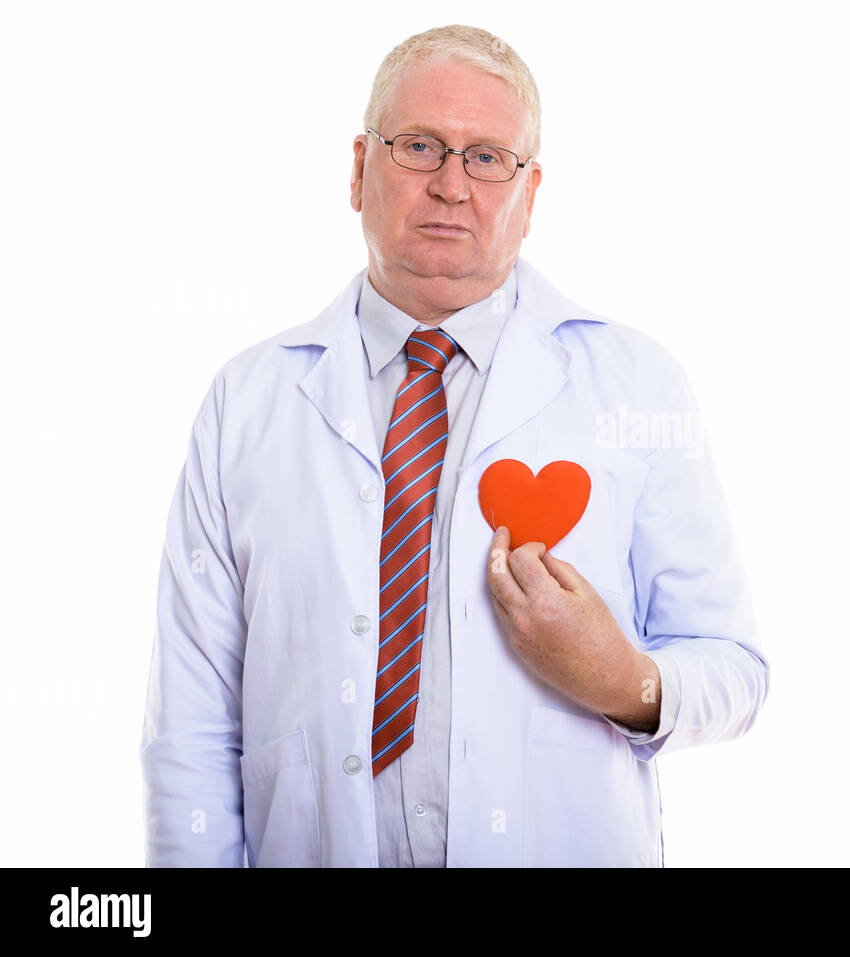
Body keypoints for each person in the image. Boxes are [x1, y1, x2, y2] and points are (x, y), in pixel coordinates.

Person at [139, 23, 768, 867]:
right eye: (419, 146)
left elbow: (737, 669)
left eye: (486, 158)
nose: (449, 184)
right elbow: (190, 724)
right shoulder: (245, 405)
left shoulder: (637, 385)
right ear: (359, 168)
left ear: (530, 193)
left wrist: (624, 680)